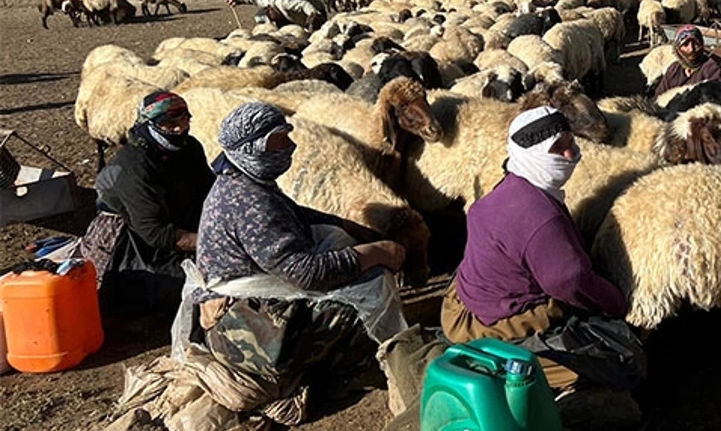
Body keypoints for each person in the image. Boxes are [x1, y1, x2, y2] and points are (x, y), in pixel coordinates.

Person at [192, 102, 407, 401]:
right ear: (255, 148)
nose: (290, 146)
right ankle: (341, 370)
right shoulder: (250, 202)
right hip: (245, 335)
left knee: (337, 238)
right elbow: (305, 273)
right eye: (280, 139)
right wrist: (376, 253)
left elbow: (293, 214)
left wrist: (348, 225)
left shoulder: (245, 182)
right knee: (366, 293)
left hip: (246, 309)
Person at [441, 106, 629, 394]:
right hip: (486, 324)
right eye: (558, 148)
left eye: (571, 143)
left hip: (462, 302)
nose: (570, 155)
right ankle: (499, 367)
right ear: (532, 154)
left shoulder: (510, 185)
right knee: (614, 363)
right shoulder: (540, 216)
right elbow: (570, 281)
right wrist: (618, 304)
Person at [82, 91, 214, 317]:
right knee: (188, 287)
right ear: (149, 124)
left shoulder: (189, 147)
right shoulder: (134, 165)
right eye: (169, 123)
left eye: (184, 120)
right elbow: (154, 231)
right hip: (133, 236)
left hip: (176, 220)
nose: (179, 129)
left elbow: (209, 191)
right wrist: (212, 242)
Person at [653, 24, 721, 95]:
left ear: (702, 45)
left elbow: (716, 98)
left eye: (696, 44)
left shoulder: (711, 69)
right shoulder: (673, 70)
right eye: (685, 44)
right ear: (677, 49)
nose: (691, 49)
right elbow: (659, 97)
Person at [227, 0, 327, 31]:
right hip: (297, 17)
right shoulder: (266, 3)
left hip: (316, 10)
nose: (272, 21)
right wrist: (238, 0)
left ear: (270, 10)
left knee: (317, 31)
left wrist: (313, 15)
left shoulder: (284, 3)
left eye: (271, 18)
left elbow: (304, 4)